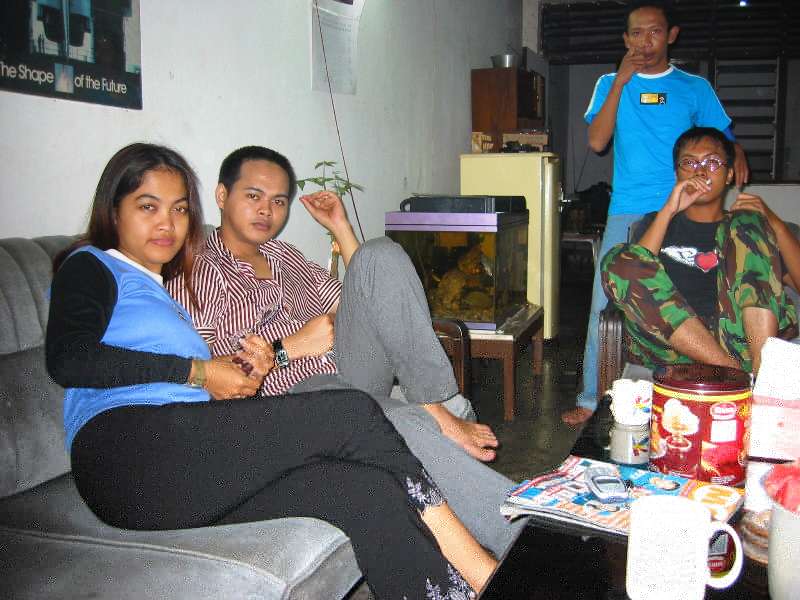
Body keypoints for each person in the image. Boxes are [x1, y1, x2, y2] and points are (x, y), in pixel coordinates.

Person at [45, 143, 498, 598]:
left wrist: (222, 376)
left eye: (179, 209)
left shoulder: (164, 289)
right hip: (126, 452)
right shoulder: (93, 264)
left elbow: (361, 303)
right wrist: (217, 368)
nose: (167, 223)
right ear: (114, 209)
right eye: (148, 206)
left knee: (364, 491)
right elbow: (69, 359)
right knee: (350, 412)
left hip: (181, 464)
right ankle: (490, 575)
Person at [166, 145, 524, 559]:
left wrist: (340, 227)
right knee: (389, 419)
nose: (267, 210)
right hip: (291, 398)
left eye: (278, 201)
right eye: (253, 196)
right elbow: (208, 379)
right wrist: (290, 348)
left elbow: (365, 295)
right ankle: (523, 527)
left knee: (381, 253)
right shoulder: (198, 270)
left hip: (346, 370)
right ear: (222, 196)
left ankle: (433, 403)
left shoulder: (285, 256)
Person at [566, 0, 751, 425]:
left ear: (671, 35)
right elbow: (597, 141)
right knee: (603, 301)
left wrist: (736, 150)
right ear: (625, 39)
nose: (645, 41)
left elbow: (721, 137)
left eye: (654, 32)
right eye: (636, 33)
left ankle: (704, 378)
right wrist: (621, 82)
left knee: (689, 290)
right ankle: (591, 398)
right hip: (628, 209)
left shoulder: (693, 87)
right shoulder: (610, 83)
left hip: (686, 207)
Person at [600, 127, 796, 375]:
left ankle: (762, 374)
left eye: (712, 162)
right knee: (617, 259)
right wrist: (669, 210)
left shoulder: (749, 231)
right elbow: (629, 275)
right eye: (689, 163)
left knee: (747, 220)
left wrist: (775, 223)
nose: (700, 171)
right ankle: (737, 376)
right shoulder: (657, 223)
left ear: (729, 174)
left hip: (741, 343)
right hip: (671, 348)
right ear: (677, 175)